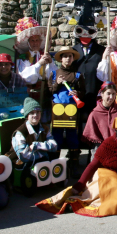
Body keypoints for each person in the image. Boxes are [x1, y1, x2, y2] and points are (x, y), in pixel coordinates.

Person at [38, 115, 117, 217]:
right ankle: (76, 203)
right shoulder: (109, 144)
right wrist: (78, 185)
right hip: (107, 179)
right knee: (114, 183)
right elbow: (92, 165)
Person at [67, 0, 106, 137]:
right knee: (75, 121)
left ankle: (93, 148)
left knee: (94, 122)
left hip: (95, 92)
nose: (85, 34)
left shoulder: (101, 50)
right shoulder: (72, 51)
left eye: (88, 29)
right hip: (78, 93)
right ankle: (75, 151)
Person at [49, 46, 85, 176]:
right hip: (57, 110)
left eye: (70, 56)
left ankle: (74, 163)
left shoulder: (78, 75)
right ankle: (55, 163)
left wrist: (78, 93)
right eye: (65, 56)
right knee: (56, 136)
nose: (67, 59)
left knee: (72, 136)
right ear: (61, 59)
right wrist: (57, 84)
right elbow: (50, 91)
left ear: (73, 58)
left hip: (71, 110)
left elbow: (83, 92)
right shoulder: (54, 74)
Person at [10, 97, 59, 169]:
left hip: (39, 162)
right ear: (27, 116)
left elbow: (54, 146)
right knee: (45, 160)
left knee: (54, 159)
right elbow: (23, 156)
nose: (36, 115)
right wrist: (44, 152)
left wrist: (37, 145)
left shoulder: (45, 128)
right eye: (32, 113)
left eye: (38, 112)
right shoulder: (20, 132)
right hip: (20, 164)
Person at [14, 17, 53, 105]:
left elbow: (53, 74)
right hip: (28, 94)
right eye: (32, 40)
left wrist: (50, 63)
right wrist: (39, 64)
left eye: (37, 40)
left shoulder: (45, 55)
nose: (35, 43)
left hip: (44, 93)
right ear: (28, 43)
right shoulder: (23, 58)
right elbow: (25, 77)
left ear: (40, 42)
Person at [81, 82, 117, 148]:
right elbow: (90, 134)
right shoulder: (95, 113)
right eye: (108, 94)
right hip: (100, 147)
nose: (111, 97)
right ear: (102, 94)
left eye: (113, 94)